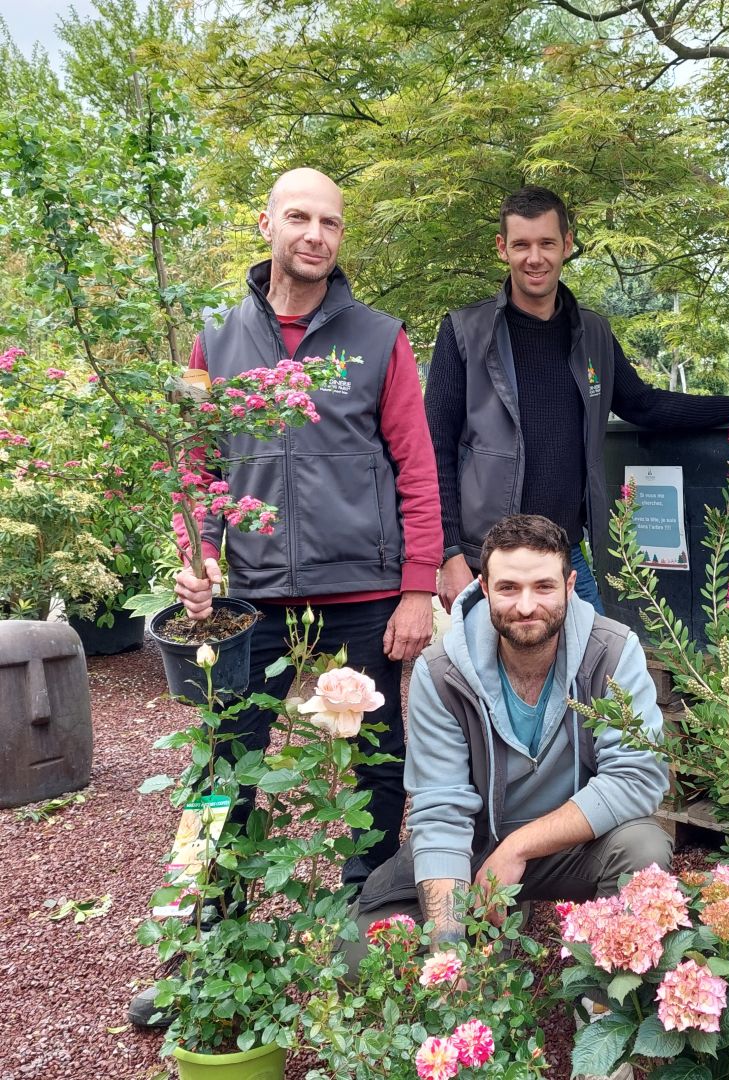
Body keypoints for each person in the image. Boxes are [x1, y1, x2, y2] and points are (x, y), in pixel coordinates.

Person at [130, 168, 441, 1027]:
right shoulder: (210, 342)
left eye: (330, 223)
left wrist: (418, 588)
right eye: (298, 217)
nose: (314, 234)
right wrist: (197, 560)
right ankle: (200, 946)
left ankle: (362, 926)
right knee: (217, 770)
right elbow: (194, 465)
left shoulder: (381, 339)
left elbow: (417, 468)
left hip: (367, 591)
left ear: (342, 238)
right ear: (265, 223)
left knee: (379, 766)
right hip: (253, 598)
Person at [424, 185, 729, 615]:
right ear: (503, 248)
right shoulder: (465, 333)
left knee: (594, 678)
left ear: (567, 245)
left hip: (565, 556)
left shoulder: (592, 334)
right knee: (489, 683)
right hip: (489, 559)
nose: (534, 258)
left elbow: (644, 405)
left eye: (546, 243)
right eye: (521, 244)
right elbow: (434, 449)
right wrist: (449, 555)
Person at [342, 514, 673, 969]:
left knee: (644, 849)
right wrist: (448, 951)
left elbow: (638, 777)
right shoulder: (441, 673)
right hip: (474, 845)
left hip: (572, 843)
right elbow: (440, 812)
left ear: (570, 583)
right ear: (483, 586)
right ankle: (489, 935)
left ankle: (606, 999)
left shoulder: (613, 652)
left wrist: (517, 848)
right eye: (508, 588)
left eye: (543, 587)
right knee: (357, 957)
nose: (525, 606)